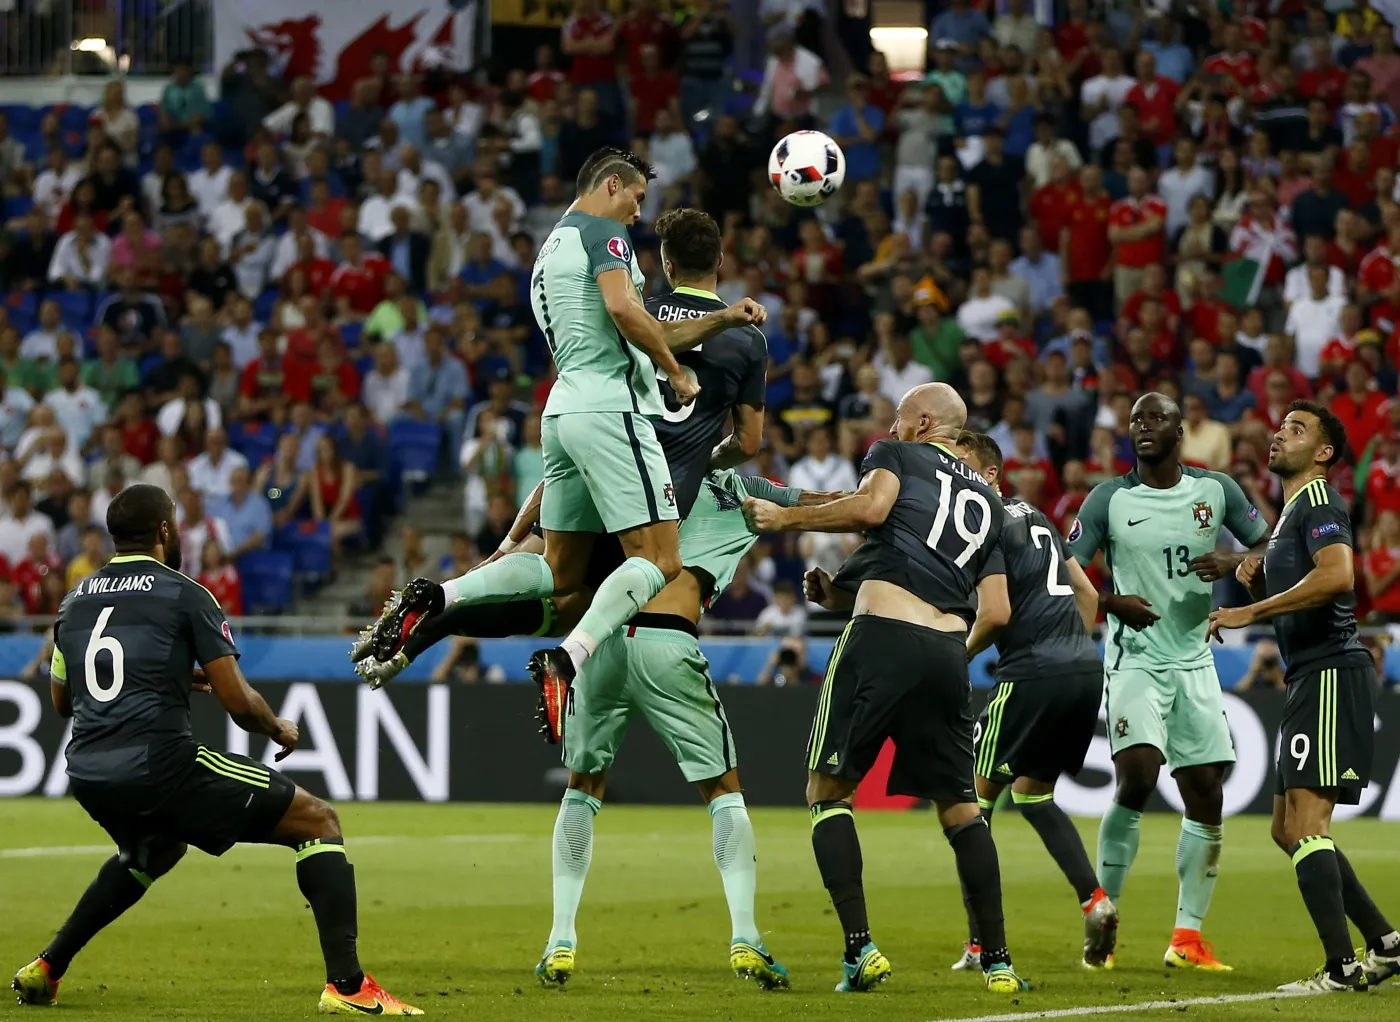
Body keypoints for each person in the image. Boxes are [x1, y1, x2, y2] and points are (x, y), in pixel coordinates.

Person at [358, 150, 762, 744]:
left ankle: (434, 596)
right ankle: (566, 660)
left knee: (558, 568)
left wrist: (722, 319)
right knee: (661, 559)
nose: (636, 213)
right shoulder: (605, 234)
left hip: (562, 408)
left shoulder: (552, 248)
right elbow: (626, 312)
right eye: (636, 198)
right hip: (608, 410)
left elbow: (627, 323)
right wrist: (675, 372)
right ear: (612, 184)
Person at [9, 483, 420, 1015]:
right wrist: (278, 728)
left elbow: (64, 702)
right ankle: (348, 986)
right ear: (164, 531)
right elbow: (240, 704)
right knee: (318, 822)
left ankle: (46, 967)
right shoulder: (185, 593)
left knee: (152, 850)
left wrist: (166, 674)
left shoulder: (73, 602)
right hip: (161, 764)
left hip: (87, 770)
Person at [741, 383, 1028, 995]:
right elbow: (985, 600)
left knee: (827, 790)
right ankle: (1000, 961)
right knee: (961, 809)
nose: (892, 429)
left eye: (900, 420)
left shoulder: (897, 455)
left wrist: (786, 517)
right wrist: (842, 589)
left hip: (880, 641)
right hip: (949, 654)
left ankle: (859, 950)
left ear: (924, 423)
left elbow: (870, 511)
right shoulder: (993, 504)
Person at [1066, 392, 1270, 971]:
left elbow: (1269, 544)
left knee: (1206, 789)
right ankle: (1102, 916)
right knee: (1137, 773)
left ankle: (1187, 939)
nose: (1142, 426)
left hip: (1194, 659)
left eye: (1155, 418)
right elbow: (1065, 564)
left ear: (1181, 429)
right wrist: (1108, 601)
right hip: (1135, 658)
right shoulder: (1109, 498)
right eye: (1135, 419)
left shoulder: (1216, 491)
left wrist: (1233, 564)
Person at [1207, 401, 1400, 992]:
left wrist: (1253, 608)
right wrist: (1250, 565)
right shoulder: (1293, 511)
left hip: (1331, 673)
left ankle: (1342, 969)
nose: (1277, 434)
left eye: (1296, 429)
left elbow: (1339, 575)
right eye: (1280, 425)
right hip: (1306, 676)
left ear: (1322, 453)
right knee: (1287, 829)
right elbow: (1299, 568)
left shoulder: (1319, 500)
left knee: (1310, 823)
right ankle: (1386, 944)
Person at [954, 431, 1116, 968]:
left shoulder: (986, 525)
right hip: (1082, 668)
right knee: (1032, 793)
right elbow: (1088, 595)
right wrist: (1072, 653)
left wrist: (955, 654)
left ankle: (981, 945)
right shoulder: (1039, 517)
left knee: (971, 804)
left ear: (993, 474)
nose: (953, 477)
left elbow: (995, 615)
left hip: (1029, 675)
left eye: (963, 467)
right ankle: (1095, 900)